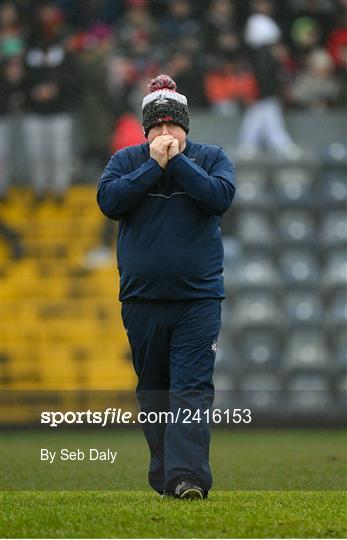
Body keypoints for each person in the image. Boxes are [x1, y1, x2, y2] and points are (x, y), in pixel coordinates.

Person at [97, 74, 236, 499]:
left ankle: (187, 477)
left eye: (171, 125)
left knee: (191, 389)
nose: (163, 133)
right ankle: (166, 476)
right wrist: (152, 167)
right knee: (154, 392)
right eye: (155, 126)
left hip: (198, 299)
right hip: (141, 300)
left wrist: (176, 164)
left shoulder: (211, 158)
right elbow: (109, 201)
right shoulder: (126, 161)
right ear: (145, 130)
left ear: (185, 127)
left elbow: (220, 197)